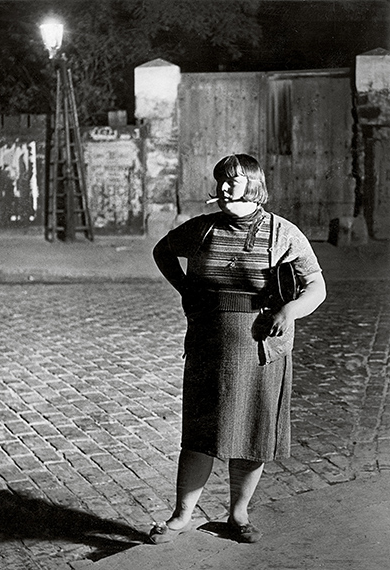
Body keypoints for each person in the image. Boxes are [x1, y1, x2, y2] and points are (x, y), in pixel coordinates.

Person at [148, 153, 326, 545]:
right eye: (220, 180)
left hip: (260, 346)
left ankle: (238, 514)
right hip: (208, 343)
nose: (224, 187)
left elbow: (317, 286)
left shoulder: (283, 232)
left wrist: (289, 310)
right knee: (199, 436)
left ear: (255, 186)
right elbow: (163, 251)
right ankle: (181, 517)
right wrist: (186, 289)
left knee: (252, 433)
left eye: (233, 180)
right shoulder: (202, 230)